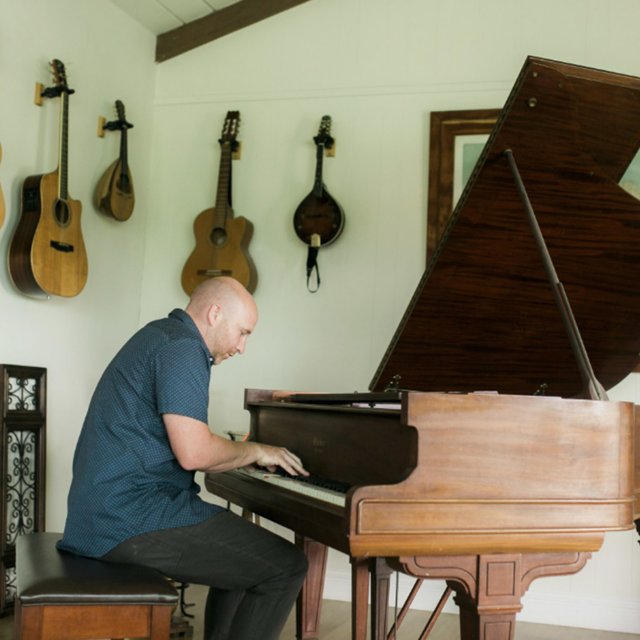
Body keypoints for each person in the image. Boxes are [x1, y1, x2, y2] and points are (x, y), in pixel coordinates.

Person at [58, 276, 309, 640]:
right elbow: (194, 453)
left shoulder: (162, 335)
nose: (242, 347)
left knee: (242, 557)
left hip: (105, 511)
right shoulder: (183, 348)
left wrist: (237, 452)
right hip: (126, 518)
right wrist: (254, 450)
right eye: (243, 333)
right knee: (286, 566)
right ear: (215, 313)